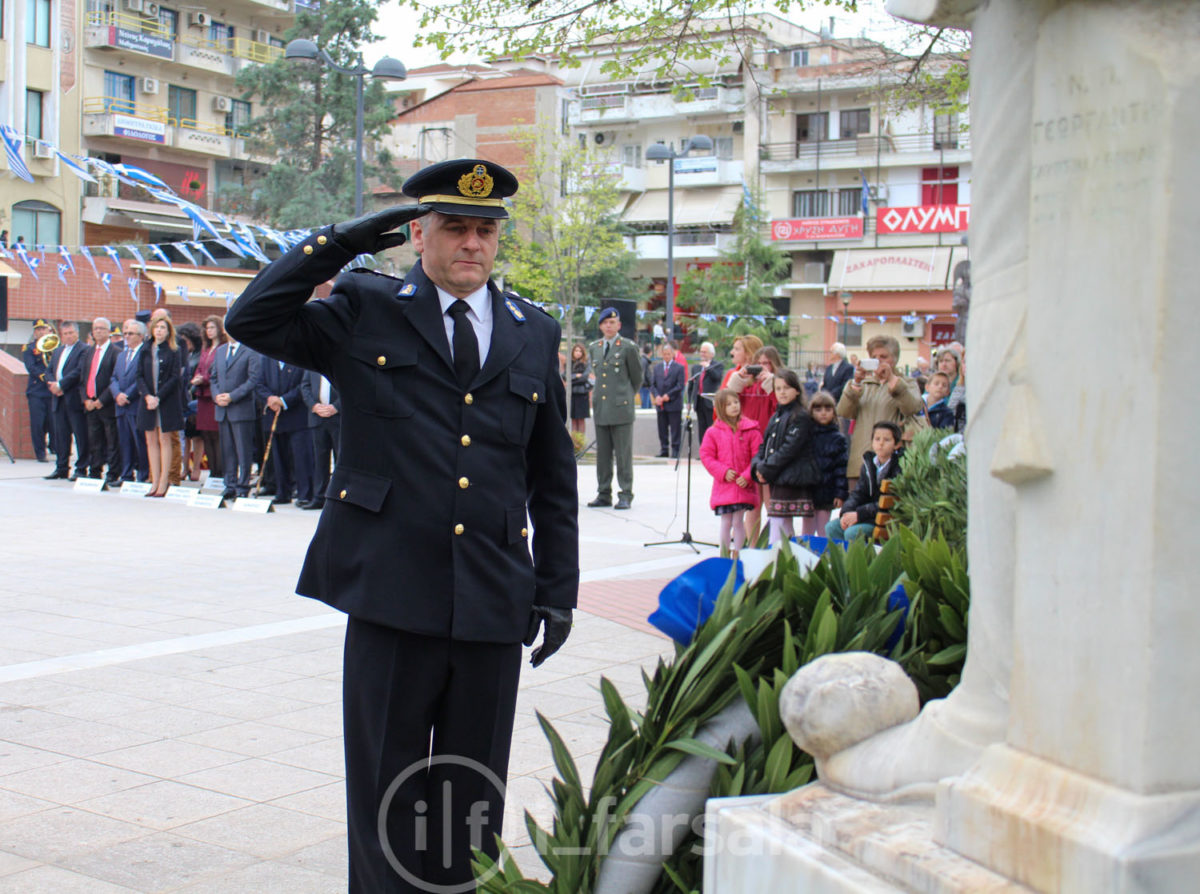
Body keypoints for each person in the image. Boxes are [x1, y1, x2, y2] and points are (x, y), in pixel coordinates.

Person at [224, 158, 578, 892]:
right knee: (385, 786)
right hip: (389, 589)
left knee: (469, 796)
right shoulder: (364, 307)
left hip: (490, 595)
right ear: (419, 233)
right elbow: (250, 318)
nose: (472, 244)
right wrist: (343, 242)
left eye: (485, 231)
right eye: (455, 227)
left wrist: (557, 588)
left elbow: (552, 478)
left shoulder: (532, 331)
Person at [836, 334, 924, 494]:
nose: (879, 361)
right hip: (861, 462)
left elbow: (912, 407)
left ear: (895, 358)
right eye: (874, 357)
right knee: (855, 512)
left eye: (883, 356)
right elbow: (843, 411)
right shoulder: (864, 384)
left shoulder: (907, 382)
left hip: (893, 463)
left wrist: (892, 379)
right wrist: (855, 383)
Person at [752, 368, 818, 545]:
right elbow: (764, 445)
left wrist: (766, 468)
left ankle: (776, 558)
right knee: (783, 522)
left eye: (786, 388)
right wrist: (757, 465)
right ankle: (787, 560)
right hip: (777, 476)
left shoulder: (801, 416)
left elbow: (789, 449)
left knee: (777, 520)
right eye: (778, 388)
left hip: (791, 477)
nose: (782, 392)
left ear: (796, 390)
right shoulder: (776, 416)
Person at [588, 306, 642, 509]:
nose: (608, 326)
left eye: (612, 322)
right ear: (601, 326)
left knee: (623, 454)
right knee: (603, 455)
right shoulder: (595, 347)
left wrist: (624, 396)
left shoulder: (627, 347)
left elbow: (637, 378)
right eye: (605, 323)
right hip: (602, 408)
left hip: (621, 408)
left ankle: (625, 493)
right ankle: (604, 493)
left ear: (619, 325)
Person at [699, 388, 763, 559]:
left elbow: (758, 455)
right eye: (728, 404)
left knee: (738, 521)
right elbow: (706, 455)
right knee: (726, 521)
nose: (734, 406)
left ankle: (739, 553)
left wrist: (748, 475)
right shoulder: (713, 432)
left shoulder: (751, 430)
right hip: (725, 485)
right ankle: (724, 553)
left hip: (744, 485)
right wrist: (722, 471)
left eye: (735, 402)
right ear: (720, 408)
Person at [826, 420, 904, 543]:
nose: (881, 443)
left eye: (887, 440)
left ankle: (859, 561)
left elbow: (890, 502)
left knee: (852, 533)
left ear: (897, 444)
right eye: (877, 439)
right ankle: (842, 561)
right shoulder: (869, 464)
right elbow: (858, 493)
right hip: (866, 516)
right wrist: (846, 513)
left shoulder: (900, 466)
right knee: (832, 528)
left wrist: (859, 514)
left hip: (883, 519)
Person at [256, 356, 315, 506]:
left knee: (301, 457)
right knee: (278, 456)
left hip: (296, 415)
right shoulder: (267, 359)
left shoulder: (299, 358)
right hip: (274, 415)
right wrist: (269, 399)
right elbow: (258, 383)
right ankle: (282, 492)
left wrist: (283, 401)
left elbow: (303, 385)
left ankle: (305, 494)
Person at [210, 334, 261, 500]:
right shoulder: (220, 351)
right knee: (227, 450)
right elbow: (214, 377)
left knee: (243, 450)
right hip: (223, 409)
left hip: (241, 407)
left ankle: (243, 485)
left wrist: (232, 396)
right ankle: (229, 484)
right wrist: (217, 395)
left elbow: (253, 379)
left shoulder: (251, 350)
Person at [137, 316, 183, 497]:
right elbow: (139, 375)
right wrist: (147, 396)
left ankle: (164, 481)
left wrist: (158, 397)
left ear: (169, 331)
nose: (159, 331)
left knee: (165, 439)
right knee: (150, 440)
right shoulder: (145, 349)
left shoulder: (173, 351)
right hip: (147, 401)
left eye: (163, 328)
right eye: (157, 327)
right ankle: (154, 480)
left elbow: (175, 378)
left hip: (166, 401)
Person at [79, 317, 121, 484]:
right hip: (90, 404)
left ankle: (113, 473)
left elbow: (115, 379)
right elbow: (82, 379)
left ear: (109, 332)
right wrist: (85, 399)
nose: (98, 331)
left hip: (107, 404)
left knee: (112, 441)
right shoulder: (88, 352)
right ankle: (95, 471)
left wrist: (102, 400)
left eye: (102, 329)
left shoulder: (116, 352)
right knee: (94, 441)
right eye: (95, 328)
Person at [45, 322, 89, 480]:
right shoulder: (58, 351)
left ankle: (81, 468)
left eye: (71, 333)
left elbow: (79, 371)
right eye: (65, 333)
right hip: (58, 398)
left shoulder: (84, 349)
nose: (68, 336)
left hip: (73, 398)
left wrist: (61, 385)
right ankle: (61, 468)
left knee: (80, 435)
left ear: (77, 333)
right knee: (60, 436)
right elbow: (49, 370)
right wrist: (52, 384)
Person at [802, 390, 849, 538]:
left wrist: (840, 493)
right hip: (809, 490)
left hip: (827, 490)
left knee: (823, 529)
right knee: (807, 531)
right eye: (818, 409)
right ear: (811, 412)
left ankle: (824, 557)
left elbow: (841, 468)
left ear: (834, 413)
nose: (823, 413)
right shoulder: (806, 436)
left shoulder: (838, 438)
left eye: (828, 409)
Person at [111, 319, 149, 482]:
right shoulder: (122, 355)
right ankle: (126, 474)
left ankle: (143, 473)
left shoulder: (145, 354)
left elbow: (142, 378)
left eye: (130, 334)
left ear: (141, 336)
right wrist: (117, 394)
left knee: (139, 442)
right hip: (120, 406)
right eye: (125, 333)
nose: (126, 336)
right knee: (124, 442)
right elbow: (113, 377)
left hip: (135, 404)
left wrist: (128, 395)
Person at [300, 369, 339, 511]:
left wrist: (336, 407)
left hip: (338, 417)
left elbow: (352, 387)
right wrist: (314, 406)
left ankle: (337, 498)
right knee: (320, 459)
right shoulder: (312, 364)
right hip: (317, 417)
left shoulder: (340, 362)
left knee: (340, 459)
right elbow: (305, 386)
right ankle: (319, 497)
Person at [190, 316, 224, 480]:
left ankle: (220, 471)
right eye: (207, 328)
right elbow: (200, 367)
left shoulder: (222, 347)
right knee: (206, 434)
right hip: (202, 395)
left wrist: (203, 379)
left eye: (212, 327)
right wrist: (197, 377)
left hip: (214, 395)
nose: (209, 331)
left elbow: (218, 372)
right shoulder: (206, 348)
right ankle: (213, 471)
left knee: (216, 434)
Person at [22, 319, 54, 463]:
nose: (41, 332)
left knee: (52, 422)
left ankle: (55, 447)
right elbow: (31, 367)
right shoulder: (29, 348)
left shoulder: (55, 346)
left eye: (43, 329)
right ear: (35, 332)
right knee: (38, 423)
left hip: (52, 391)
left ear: (49, 330)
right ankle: (40, 452)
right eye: (38, 329)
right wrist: (46, 377)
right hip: (37, 390)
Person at [177, 321, 205, 481]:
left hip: (196, 397)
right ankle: (184, 466)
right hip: (183, 397)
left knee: (196, 436)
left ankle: (196, 468)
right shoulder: (185, 354)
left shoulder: (200, 354)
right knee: (185, 435)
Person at [650, 341, 684, 458]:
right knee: (662, 428)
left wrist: (668, 395)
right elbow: (653, 384)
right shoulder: (657, 367)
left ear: (672, 354)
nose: (666, 356)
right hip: (660, 404)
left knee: (675, 428)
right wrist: (657, 396)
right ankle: (664, 449)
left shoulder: (679, 368)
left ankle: (675, 450)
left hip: (673, 403)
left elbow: (680, 385)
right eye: (664, 354)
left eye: (668, 354)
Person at [690, 340, 724, 446]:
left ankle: (712, 449)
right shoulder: (696, 367)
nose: (702, 354)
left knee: (711, 427)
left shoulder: (717, 365)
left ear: (711, 354)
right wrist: (690, 401)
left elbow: (717, 377)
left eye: (705, 352)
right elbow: (692, 384)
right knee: (701, 427)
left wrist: (708, 367)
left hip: (710, 402)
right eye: (701, 352)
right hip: (699, 401)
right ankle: (703, 450)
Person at [568, 342, 592, 435]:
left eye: (580, 351)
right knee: (573, 419)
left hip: (582, 394)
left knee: (581, 419)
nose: (578, 353)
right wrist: (575, 376)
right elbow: (565, 376)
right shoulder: (569, 363)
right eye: (576, 350)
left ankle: (581, 442)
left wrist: (572, 380)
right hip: (572, 394)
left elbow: (584, 377)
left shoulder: (586, 363)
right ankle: (574, 442)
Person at [639, 343, 653, 409]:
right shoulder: (644, 361)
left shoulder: (643, 360)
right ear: (650, 352)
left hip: (646, 385)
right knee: (645, 405)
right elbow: (644, 374)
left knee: (648, 404)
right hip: (644, 385)